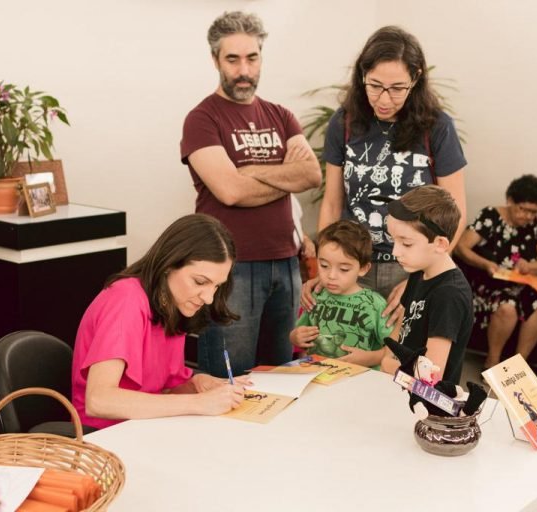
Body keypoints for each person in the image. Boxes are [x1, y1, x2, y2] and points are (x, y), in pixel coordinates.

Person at [180, 12, 321, 377]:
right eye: (233, 59)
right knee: (231, 379)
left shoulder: (281, 115)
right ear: (216, 60)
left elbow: (310, 174)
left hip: (286, 264)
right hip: (230, 270)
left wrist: (251, 172)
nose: (244, 70)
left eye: (252, 58)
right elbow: (229, 191)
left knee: (282, 374)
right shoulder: (202, 119)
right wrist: (279, 175)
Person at [303, 25, 467, 324]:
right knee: (347, 356)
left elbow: (456, 214)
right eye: (375, 85)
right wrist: (326, 266)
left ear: (416, 78)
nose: (384, 99)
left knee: (398, 359)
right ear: (362, 75)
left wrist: (419, 279)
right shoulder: (345, 122)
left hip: (411, 266)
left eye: (397, 88)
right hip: (353, 262)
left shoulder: (437, 127)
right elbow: (332, 203)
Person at [71, 214, 249, 430]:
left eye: (217, 286)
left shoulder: (174, 303)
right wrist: (198, 402)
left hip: (144, 427)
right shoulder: (126, 300)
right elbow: (99, 400)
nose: (209, 298)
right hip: (102, 438)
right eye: (200, 282)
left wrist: (197, 384)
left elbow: (163, 391)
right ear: (168, 265)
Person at [455, 174, 537, 370]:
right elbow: (461, 247)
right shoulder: (490, 216)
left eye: (533, 212)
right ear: (510, 201)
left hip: (520, 284)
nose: (528, 216)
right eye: (523, 209)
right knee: (507, 307)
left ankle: (518, 365)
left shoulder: (536, 224)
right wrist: (486, 264)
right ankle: (493, 361)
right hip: (488, 283)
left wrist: (529, 266)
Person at [378, 186, 473, 383]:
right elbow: (399, 332)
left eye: (406, 243)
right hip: (397, 387)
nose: (395, 251)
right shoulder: (419, 272)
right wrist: (385, 359)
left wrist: (388, 365)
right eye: (393, 240)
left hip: (427, 406)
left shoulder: (449, 295)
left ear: (440, 244)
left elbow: (431, 376)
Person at [290, 220, 393, 368]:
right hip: (317, 376)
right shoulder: (316, 297)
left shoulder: (375, 304)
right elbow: (297, 333)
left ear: (363, 268)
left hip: (360, 381)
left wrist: (372, 358)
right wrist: (295, 337)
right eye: (324, 265)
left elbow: (393, 350)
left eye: (344, 269)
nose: (331, 275)